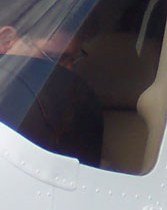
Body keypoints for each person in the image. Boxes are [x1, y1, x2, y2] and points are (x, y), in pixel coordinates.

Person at [0, 22, 103, 166]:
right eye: (54, 58)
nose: (67, 71)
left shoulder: (68, 112)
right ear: (6, 41)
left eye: (73, 61)